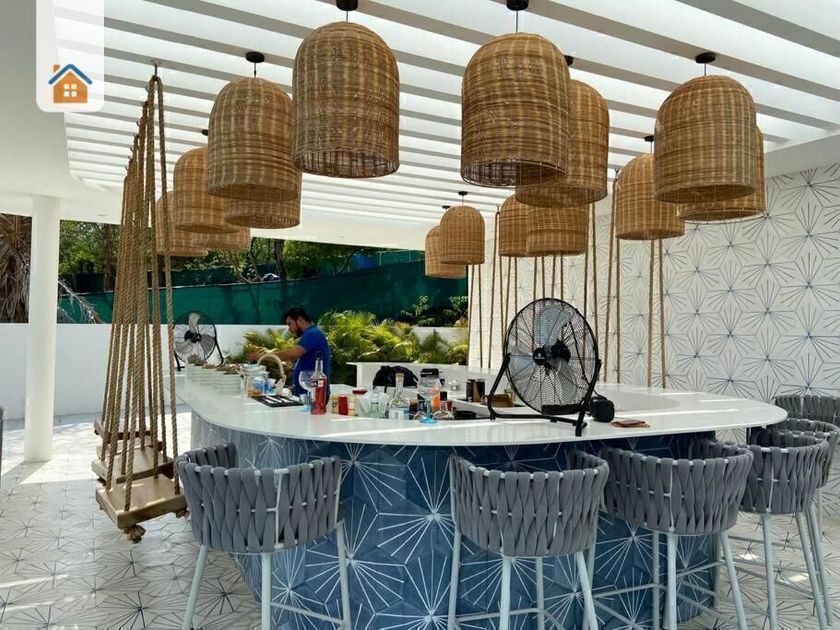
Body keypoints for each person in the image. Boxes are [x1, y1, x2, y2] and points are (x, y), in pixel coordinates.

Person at [274, 306, 331, 396]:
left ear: (300, 320)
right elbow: (310, 365)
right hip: (308, 394)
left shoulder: (313, 333)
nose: (289, 329)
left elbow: (292, 354)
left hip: (313, 396)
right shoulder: (311, 333)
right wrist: (293, 371)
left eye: (290, 324)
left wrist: (265, 356)